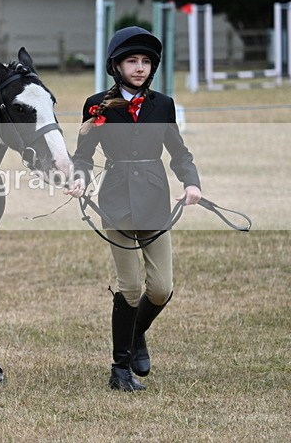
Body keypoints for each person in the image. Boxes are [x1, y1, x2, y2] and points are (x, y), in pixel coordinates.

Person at [64, 26, 202, 392]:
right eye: (131, 61)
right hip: (116, 200)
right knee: (129, 287)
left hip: (156, 199)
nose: (139, 68)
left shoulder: (163, 105)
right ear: (117, 66)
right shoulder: (96, 105)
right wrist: (79, 179)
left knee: (160, 288)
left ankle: (135, 332)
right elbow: (82, 155)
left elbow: (179, 153)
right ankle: (119, 368)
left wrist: (191, 183)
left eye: (145, 61)